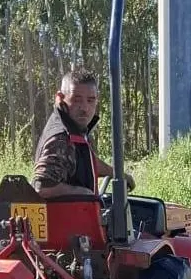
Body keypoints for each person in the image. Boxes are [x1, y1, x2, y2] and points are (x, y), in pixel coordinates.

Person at [32, 70, 134, 198]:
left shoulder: (75, 129)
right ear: (60, 98)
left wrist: (116, 173)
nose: (85, 108)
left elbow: (82, 160)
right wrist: (84, 194)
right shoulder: (62, 137)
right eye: (77, 100)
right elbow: (42, 188)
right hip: (65, 217)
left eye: (90, 100)